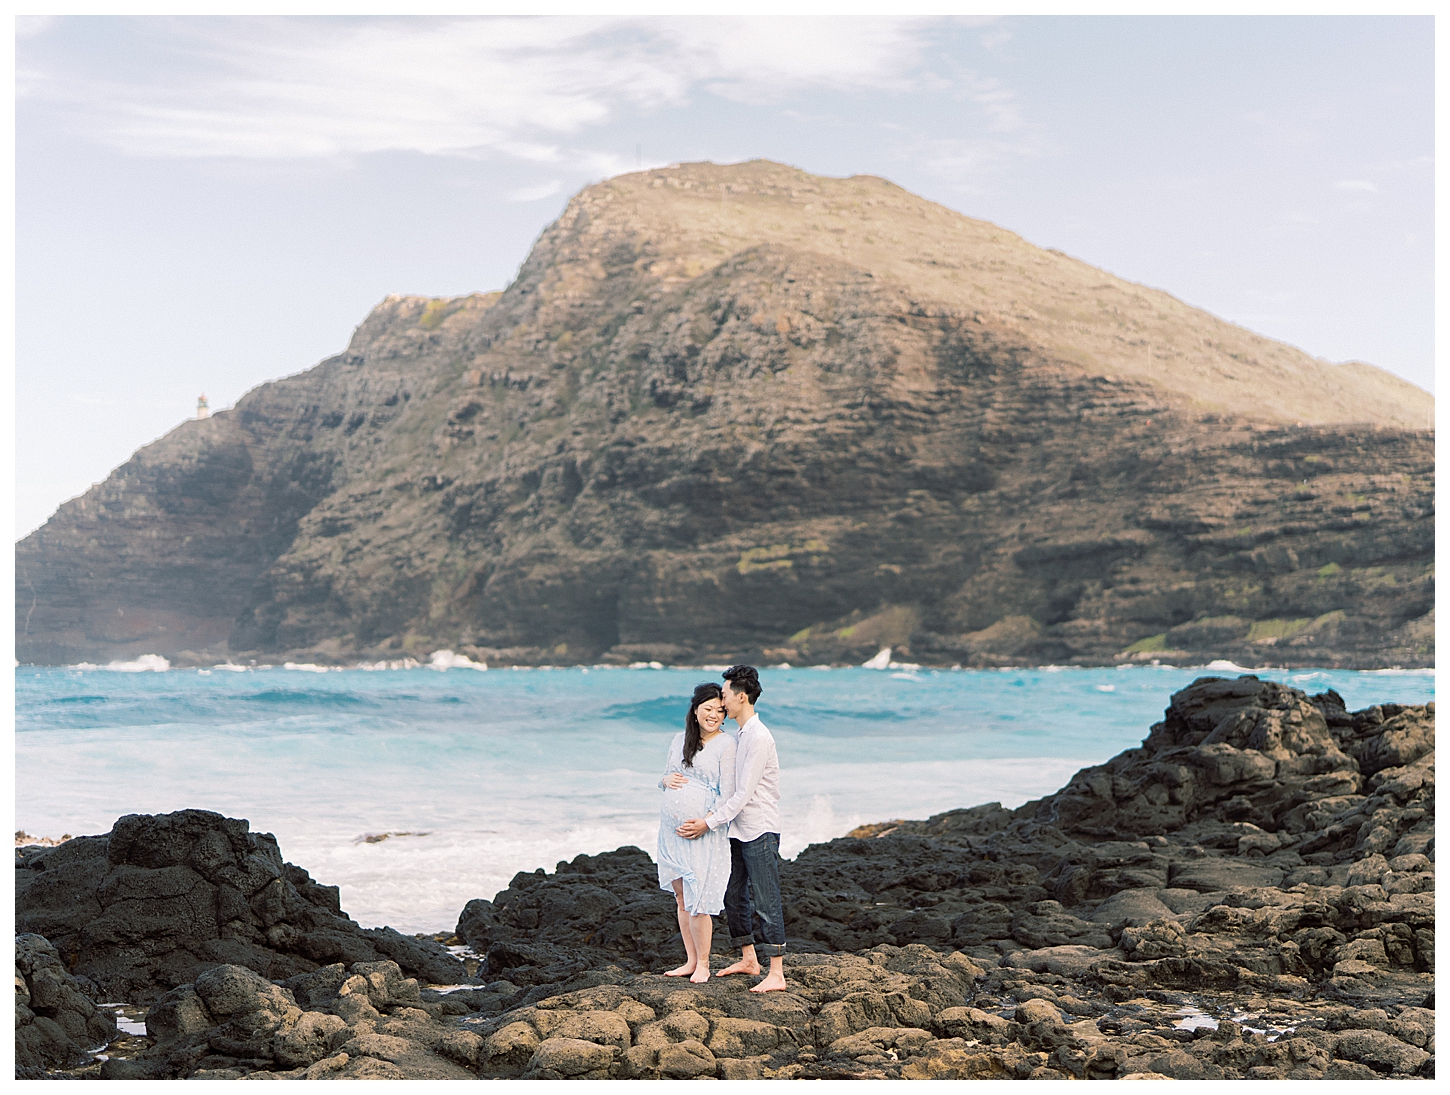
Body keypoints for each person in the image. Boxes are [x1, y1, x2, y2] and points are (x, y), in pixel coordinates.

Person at [675, 664, 787, 993]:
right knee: (733, 894)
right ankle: (749, 958)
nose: (721, 703)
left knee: (766, 900)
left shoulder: (758, 737)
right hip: (736, 830)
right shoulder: (740, 735)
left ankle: (777, 973)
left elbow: (742, 794)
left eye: (724, 696)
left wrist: (707, 822)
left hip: (760, 829)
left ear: (740, 697)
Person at [656, 683, 737, 983]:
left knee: (699, 896)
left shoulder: (727, 744)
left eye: (719, 710)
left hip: (703, 831)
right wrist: (665, 780)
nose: (714, 715)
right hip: (671, 832)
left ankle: (704, 963)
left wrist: (705, 822)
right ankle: (690, 960)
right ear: (695, 710)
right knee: (681, 896)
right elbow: (664, 777)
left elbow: (727, 793)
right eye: (708, 709)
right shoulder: (679, 740)